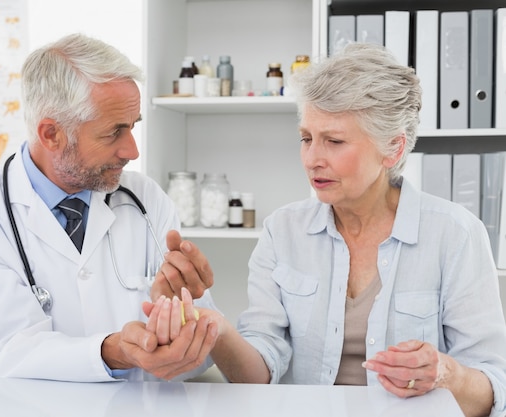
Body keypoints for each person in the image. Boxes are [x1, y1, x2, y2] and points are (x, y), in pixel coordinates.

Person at [147, 43, 506, 417]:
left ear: (393, 149)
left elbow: (492, 388)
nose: (312, 159)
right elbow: (258, 375)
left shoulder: (455, 235)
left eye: (333, 141)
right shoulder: (283, 231)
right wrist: (214, 327)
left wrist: (446, 375)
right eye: (306, 138)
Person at [0, 33, 219, 382]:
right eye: (114, 132)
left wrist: (180, 320)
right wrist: (112, 351)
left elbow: (199, 351)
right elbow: (6, 354)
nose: (132, 151)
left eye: (133, 127)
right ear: (51, 134)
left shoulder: (147, 199)